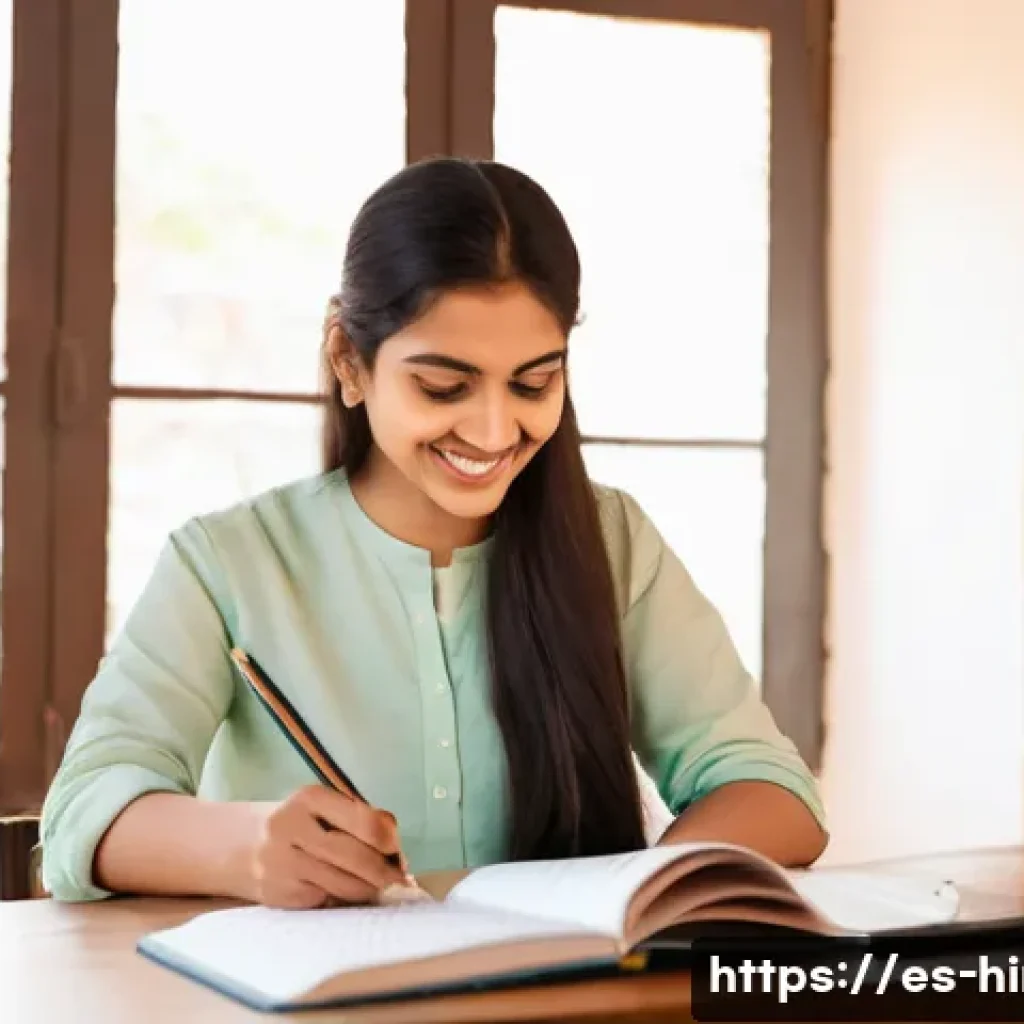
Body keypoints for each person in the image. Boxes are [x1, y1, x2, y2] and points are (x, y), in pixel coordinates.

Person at [40, 157, 827, 907]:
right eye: (444, 386)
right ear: (350, 360)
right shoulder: (227, 563)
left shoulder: (614, 541)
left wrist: (638, 897)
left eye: (534, 382)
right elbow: (81, 815)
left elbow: (772, 792)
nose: (493, 431)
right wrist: (244, 846)